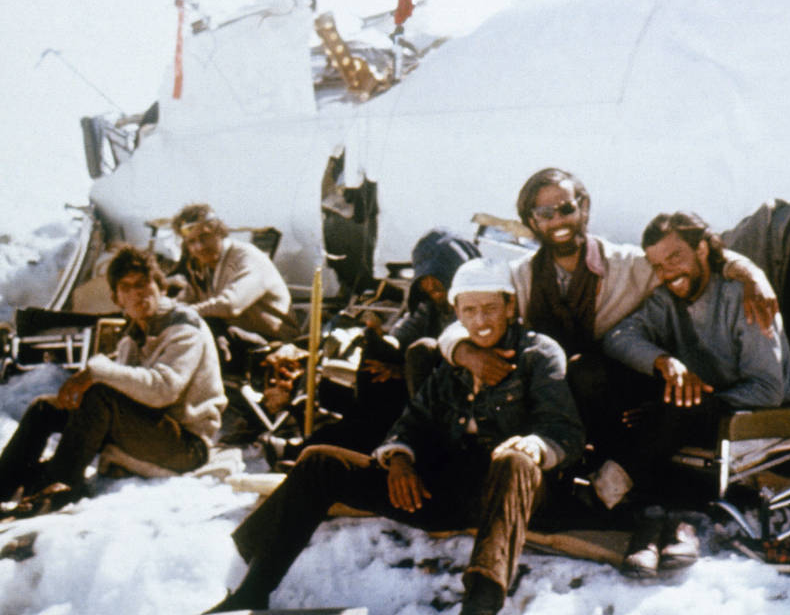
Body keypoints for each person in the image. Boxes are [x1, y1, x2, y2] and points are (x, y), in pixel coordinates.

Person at [207, 259, 584, 615]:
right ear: (457, 314)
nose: (481, 321)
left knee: (513, 460)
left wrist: (534, 446)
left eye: (490, 308)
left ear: (509, 305)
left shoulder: (539, 354)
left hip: (516, 495)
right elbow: (412, 421)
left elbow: (565, 432)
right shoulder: (453, 362)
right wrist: (400, 459)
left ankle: (480, 606)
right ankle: (252, 589)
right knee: (320, 461)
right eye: (469, 311)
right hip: (452, 489)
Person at [440, 168, 779, 466]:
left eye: (566, 209)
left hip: (607, 389)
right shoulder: (519, 275)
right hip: (544, 387)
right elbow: (467, 318)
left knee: (588, 371)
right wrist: (466, 352)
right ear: (531, 221)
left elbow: (693, 254)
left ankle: (606, 468)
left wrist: (750, 273)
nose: (558, 221)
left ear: (583, 208)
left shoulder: (627, 264)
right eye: (545, 213)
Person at [601, 211, 790, 575]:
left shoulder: (743, 296)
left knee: (678, 407)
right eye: (658, 265)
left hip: (760, 417)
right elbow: (618, 338)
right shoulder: (666, 299)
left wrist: (697, 402)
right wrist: (665, 362)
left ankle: (639, 499)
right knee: (640, 390)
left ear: (702, 249)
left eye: (675, 257)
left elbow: (768, 389)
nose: (667, 272)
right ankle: (654, 524)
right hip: (699, 413)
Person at [0, 246, 225, 515]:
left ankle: (57, 488)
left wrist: (98, 372)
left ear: (160, 287)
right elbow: (127, 389)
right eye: (126, 288)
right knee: (45, 409)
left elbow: (164, 389)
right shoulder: (134, 333)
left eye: (143, 284)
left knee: (100, 396)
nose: (137, 293)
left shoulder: (184, 326)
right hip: (150, 428)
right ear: (117, 298)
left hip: (187, 444)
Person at [275, 229, 480, 462]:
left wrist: (402, 370)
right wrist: (381, 341)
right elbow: (404, 332)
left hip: (455, 395)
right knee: (370, 380)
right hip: (419, 387)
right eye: (426, 284)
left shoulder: (478, 302)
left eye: (438, 281)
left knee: (381, 407)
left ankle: (310, 451)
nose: (432, 289)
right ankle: (313, 450)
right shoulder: (432, 305)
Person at [171, 203, 298, 350]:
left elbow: (232, 304)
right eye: (191, 242)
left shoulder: (247, 256)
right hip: (240, 338)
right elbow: (186, 299)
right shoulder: (203, 266)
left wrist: (187, 311)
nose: (199, 247)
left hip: (275, 343)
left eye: (204, 236)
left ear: (219, 231)